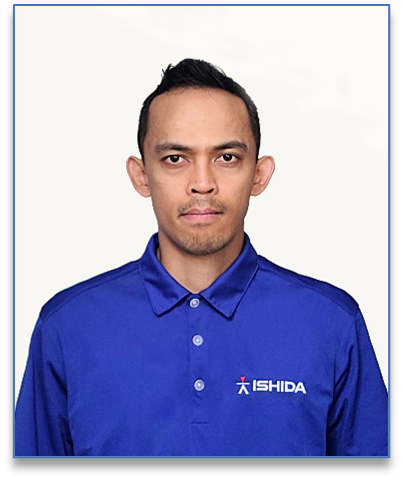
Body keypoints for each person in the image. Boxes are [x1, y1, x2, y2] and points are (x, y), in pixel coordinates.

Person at [15, 59, 388, 457]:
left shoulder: (331, 323)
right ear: (141, 175)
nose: (202, 183)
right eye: (175, 158)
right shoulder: (68, 326)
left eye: (226, 157)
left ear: (259, 174)